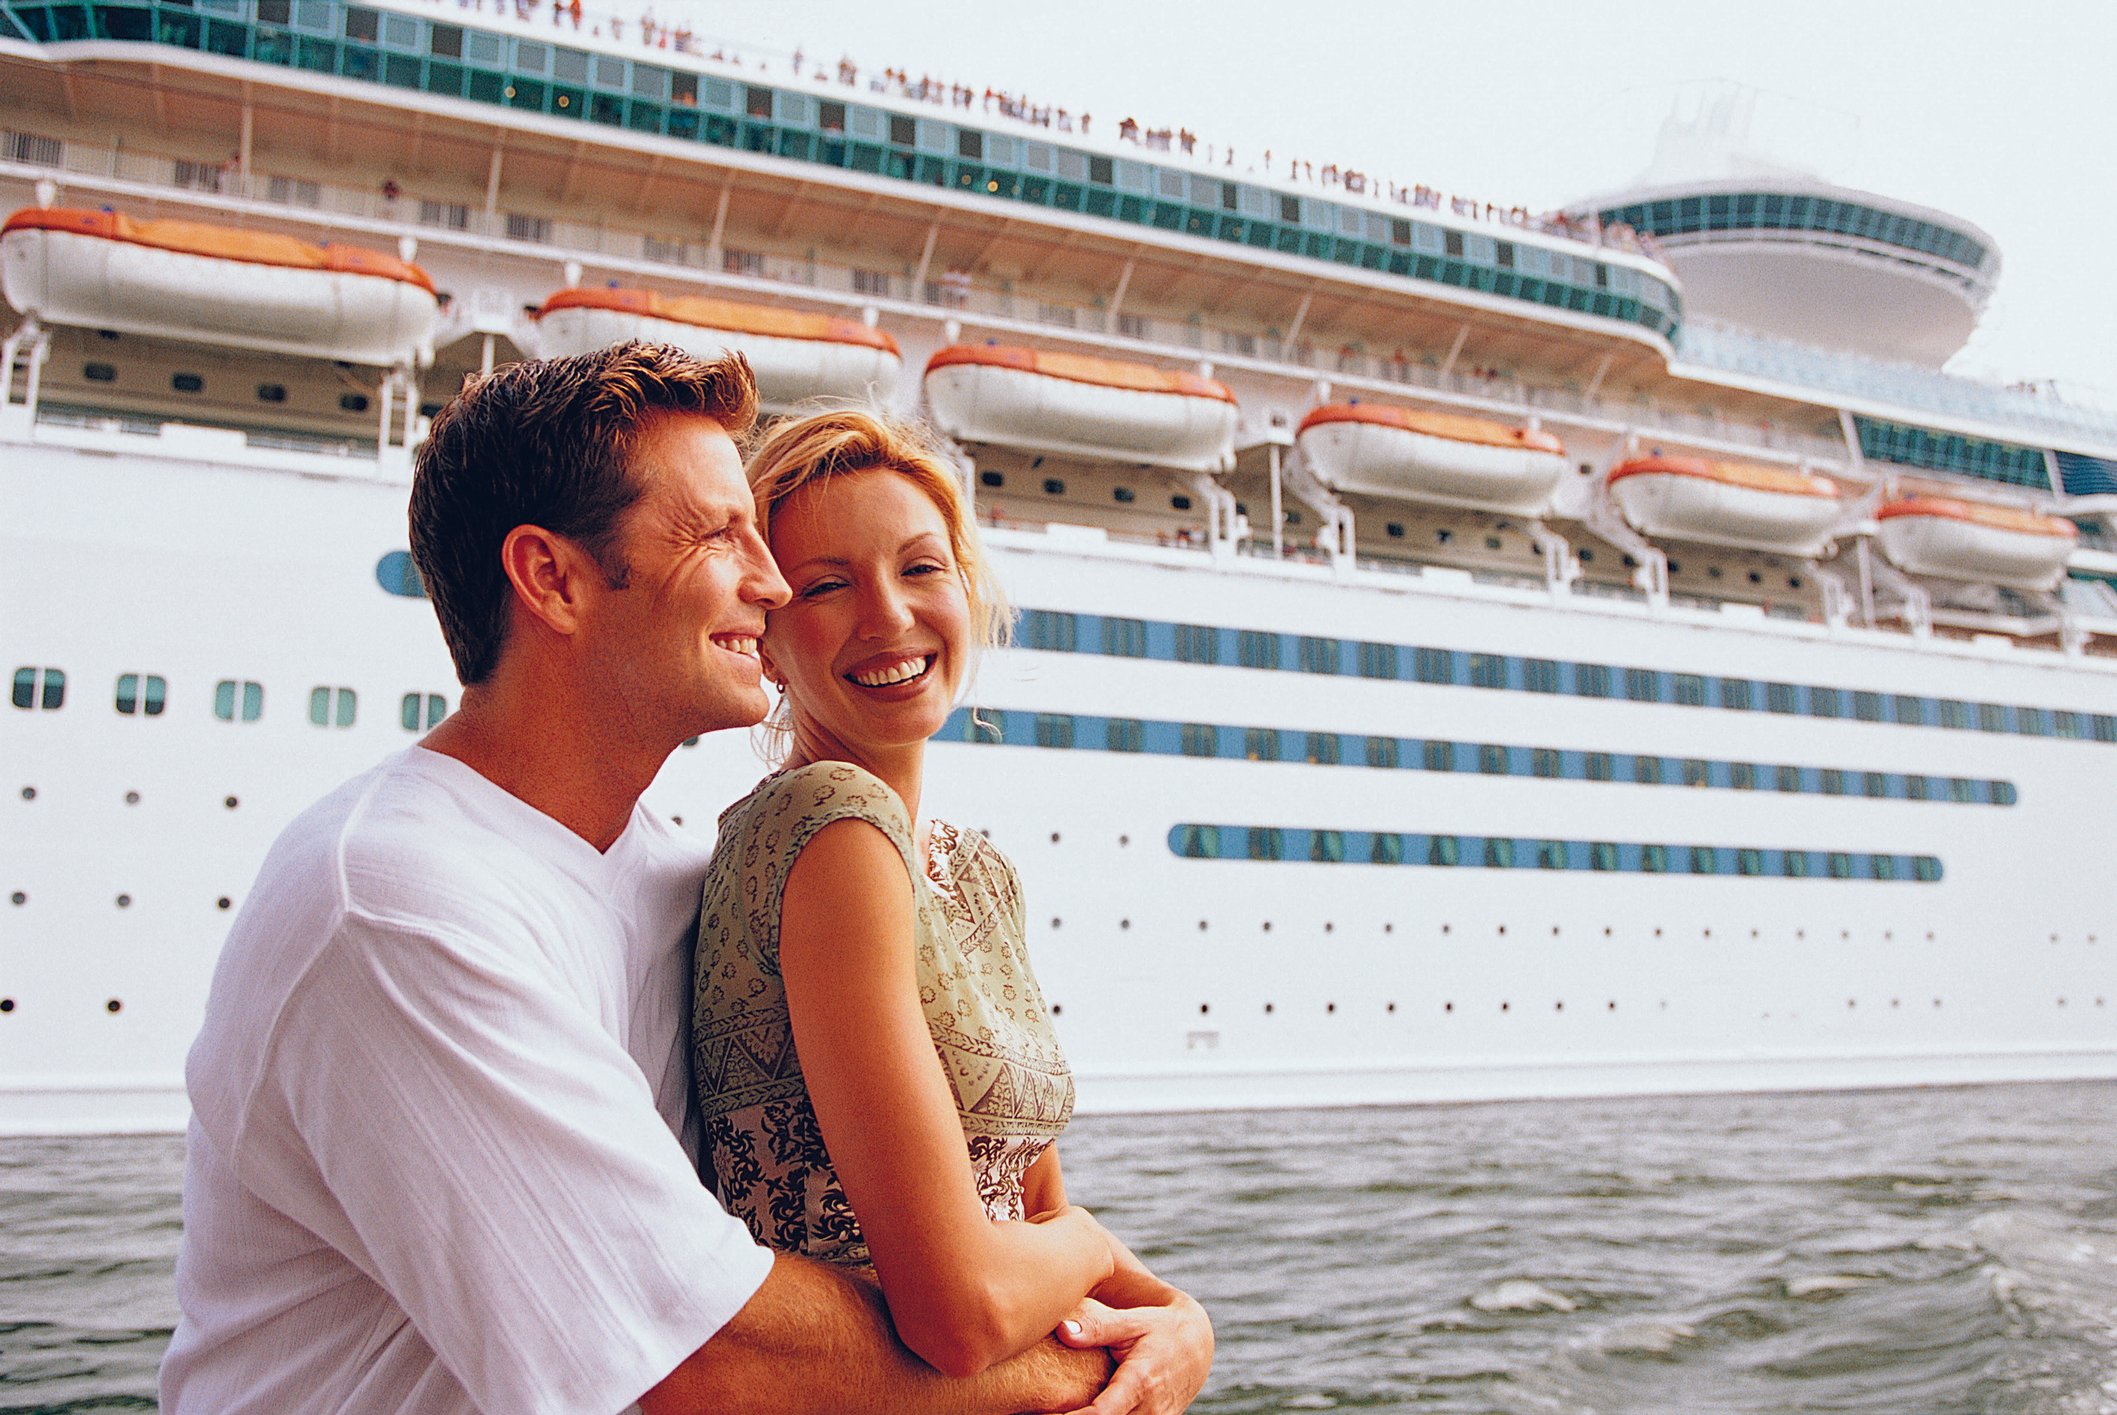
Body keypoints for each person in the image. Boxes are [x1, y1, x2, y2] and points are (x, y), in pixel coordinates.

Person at [160, 344, 1155, 1415]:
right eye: (720, 535)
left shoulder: (673, 874)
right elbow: (706, 1361)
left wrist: (1173, 1317)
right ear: (552, 577)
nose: (768, 582)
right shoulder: (400, 907)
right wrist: (1105, 1360)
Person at [692, 410, 1214, 1411]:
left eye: (921, 568)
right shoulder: (829, 828)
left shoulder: (971, 870)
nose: (888, 617)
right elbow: (960, 1308)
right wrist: (1096, 1248)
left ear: (966, 589)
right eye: (828, 584)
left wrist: (1181, 1318)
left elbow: (1030, 1202)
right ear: (766, 635)